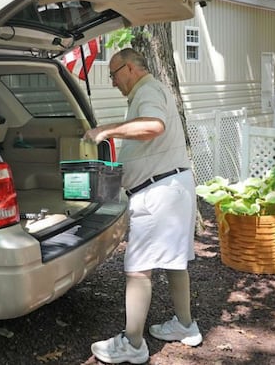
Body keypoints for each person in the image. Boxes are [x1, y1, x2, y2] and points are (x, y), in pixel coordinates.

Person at [83, 48, 202, 364]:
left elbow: (153, 126)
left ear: (130, 68)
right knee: (175, 262)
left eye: (113, 74)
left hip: (157, 192)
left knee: (138, 270)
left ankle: (132, 344)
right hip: (174, 185)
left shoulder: (147, 90)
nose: (112, 82)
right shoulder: (155, 89)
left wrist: (105, 130)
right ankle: (185, 326)